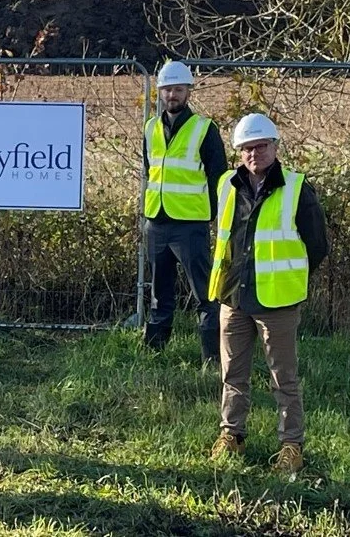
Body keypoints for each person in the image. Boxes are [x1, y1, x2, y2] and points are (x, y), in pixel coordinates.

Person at [206, 113, 330, 474]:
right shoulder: (227, 185)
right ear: (238, 152)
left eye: (260, 146)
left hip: (277, 300)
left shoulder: (296, 188)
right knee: (233, 373)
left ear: (275, 146)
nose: (254, 153)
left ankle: (291, 445)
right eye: (246, 148)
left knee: (283, 377)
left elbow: (317, 245)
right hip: (233, 295)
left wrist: (289, 279)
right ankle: (231, 435)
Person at [141, 60, 227, 363]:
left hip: (190, 224)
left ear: (188, 91)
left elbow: (220, 178)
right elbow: (149, 171)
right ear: (160, 92)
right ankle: (154, 352)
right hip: (157, 221)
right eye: (166, 89)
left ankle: (212, 358)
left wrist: (212, 215)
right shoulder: (151, 128)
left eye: (178, 89)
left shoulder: (204, 129)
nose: (171, 95)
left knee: (205, 294)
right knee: (159, 293)